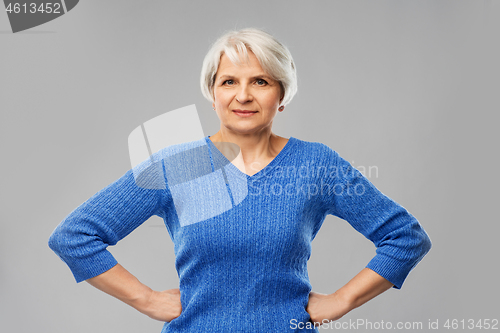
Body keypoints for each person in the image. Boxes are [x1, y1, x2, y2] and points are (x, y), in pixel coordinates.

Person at [48, 28, 432, 332]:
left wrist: (342, 301)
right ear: (212, 94)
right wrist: (145, 299)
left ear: (282, 94)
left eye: (261, 82)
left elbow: (405, 237)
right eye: (229, 82)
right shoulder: (176, 166)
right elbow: (74, 236)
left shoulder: (316, 165)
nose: (243, 96)